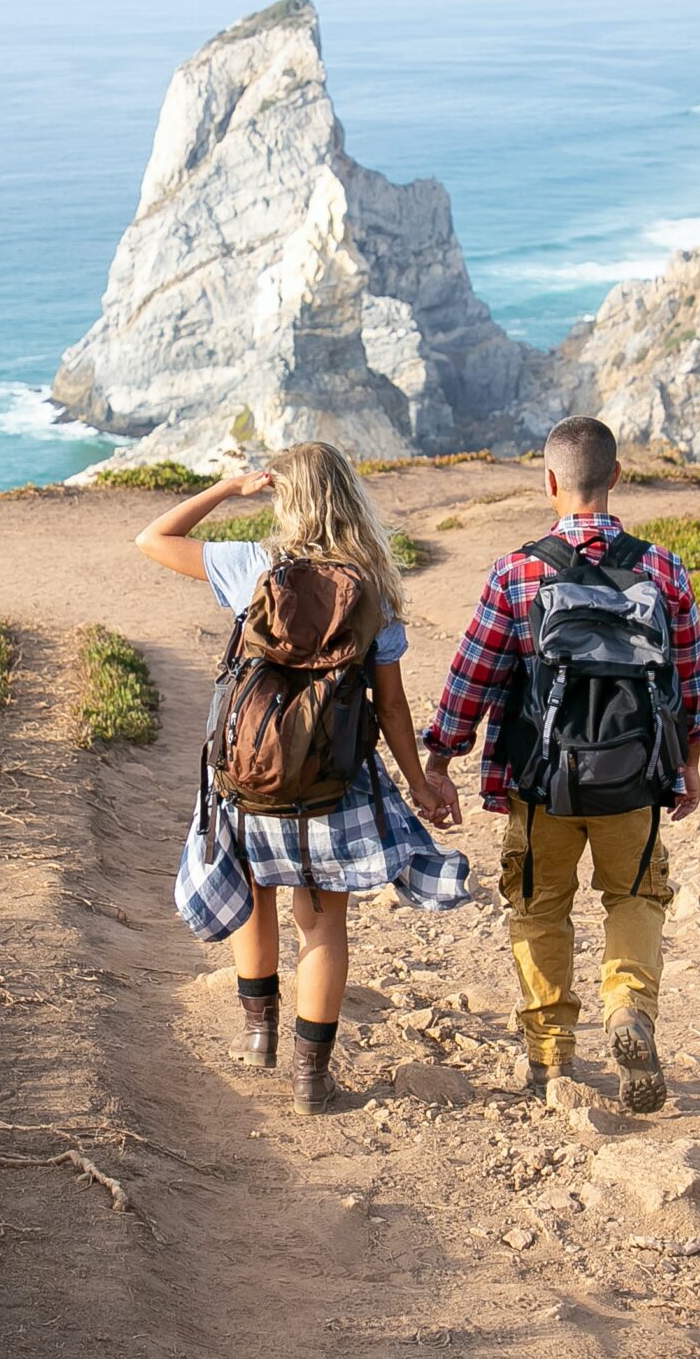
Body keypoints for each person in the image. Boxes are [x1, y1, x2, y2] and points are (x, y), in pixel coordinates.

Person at [135, 441, 471, 1113]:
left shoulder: (252, 566)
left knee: (254, 898)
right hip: (332, 783)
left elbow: (153, 537)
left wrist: (229, 489)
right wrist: (420, 784)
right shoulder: (371, 584)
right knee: (320, 926)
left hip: (250, 774)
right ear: (350, 498)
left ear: (287, 501)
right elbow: (393, 707)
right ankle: (310, 1083)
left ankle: (259, 1039)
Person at [420, 416, 700, 1113]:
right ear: (616, 476)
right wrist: (689, 763)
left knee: (540, 911)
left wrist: (439, 758)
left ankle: (551, 1063)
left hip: (541, 782)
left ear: (549, 482)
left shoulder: (517, 571)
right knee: (635, 899)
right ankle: (627, 1010)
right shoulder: (662, 568)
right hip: (634, 780)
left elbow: (473, 678)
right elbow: (690, 682)